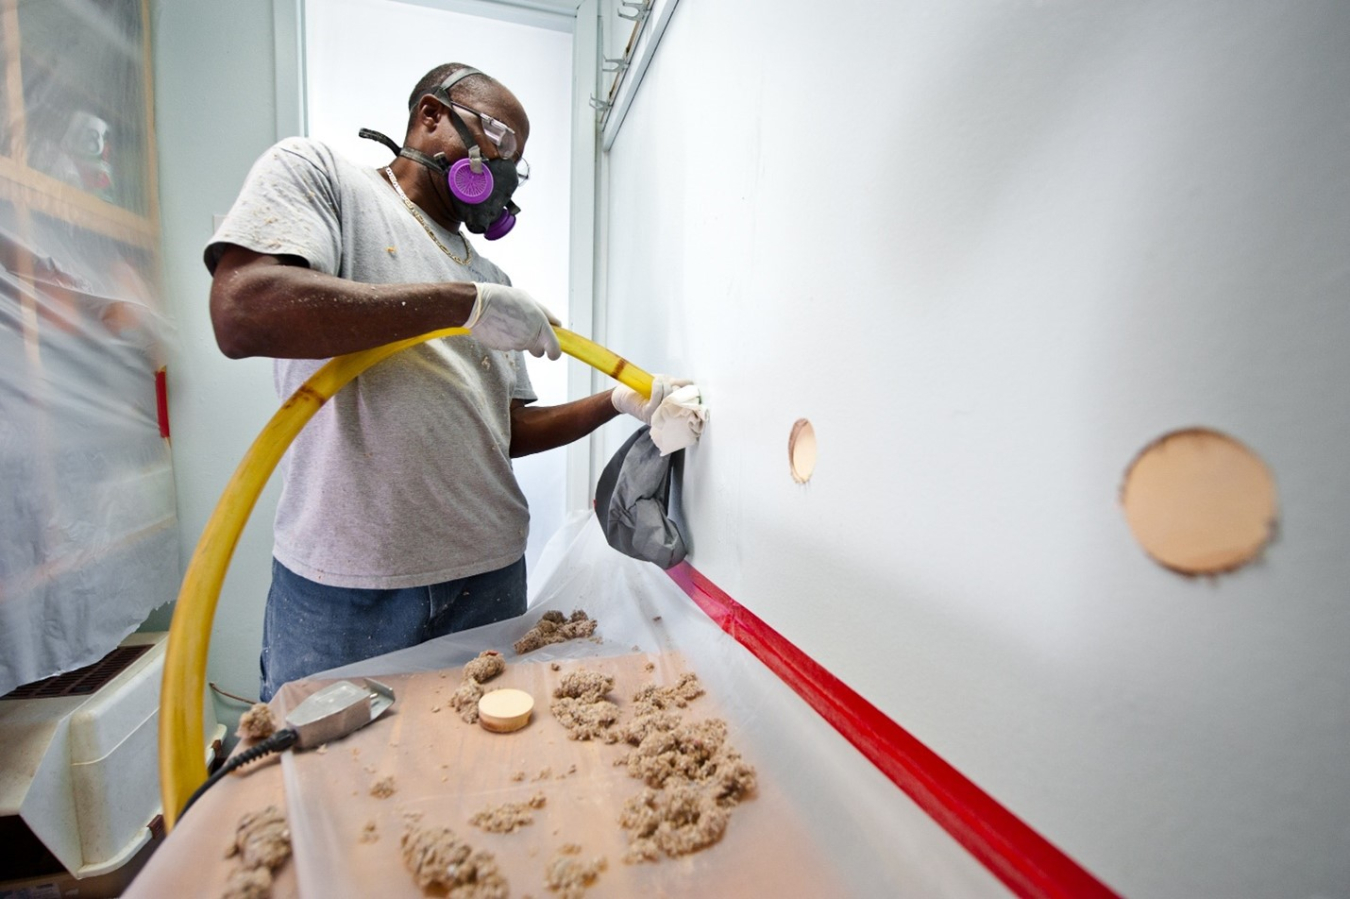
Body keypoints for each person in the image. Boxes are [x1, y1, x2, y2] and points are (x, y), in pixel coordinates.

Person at [205, 62, 681, 701]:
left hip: (487, 579)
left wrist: (618, 401)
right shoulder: (325, 180)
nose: (505, 166)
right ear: (431, 116)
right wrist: (464, 306)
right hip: (347, 589)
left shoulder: (490, 278)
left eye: (519, 159)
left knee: (473, 775)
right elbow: (243, 311)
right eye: (498, 139)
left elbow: (505, 432)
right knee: (328, 779)